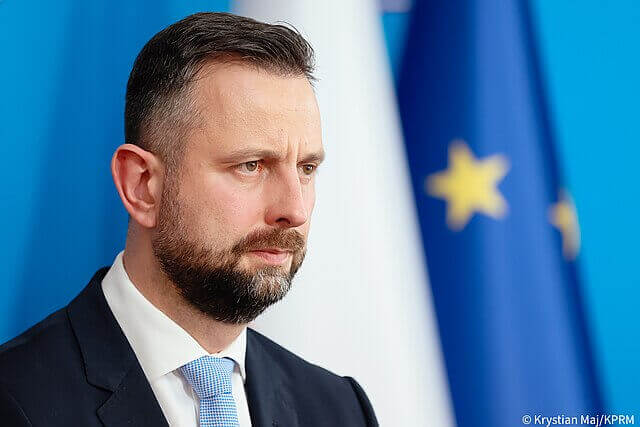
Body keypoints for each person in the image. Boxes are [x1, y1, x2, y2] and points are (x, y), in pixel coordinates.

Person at [0, 12, 378, 427]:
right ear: (142, 185)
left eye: (306, 168)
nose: (295, 210)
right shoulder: (15, 401)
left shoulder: (340, 409)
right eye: (250, 165)